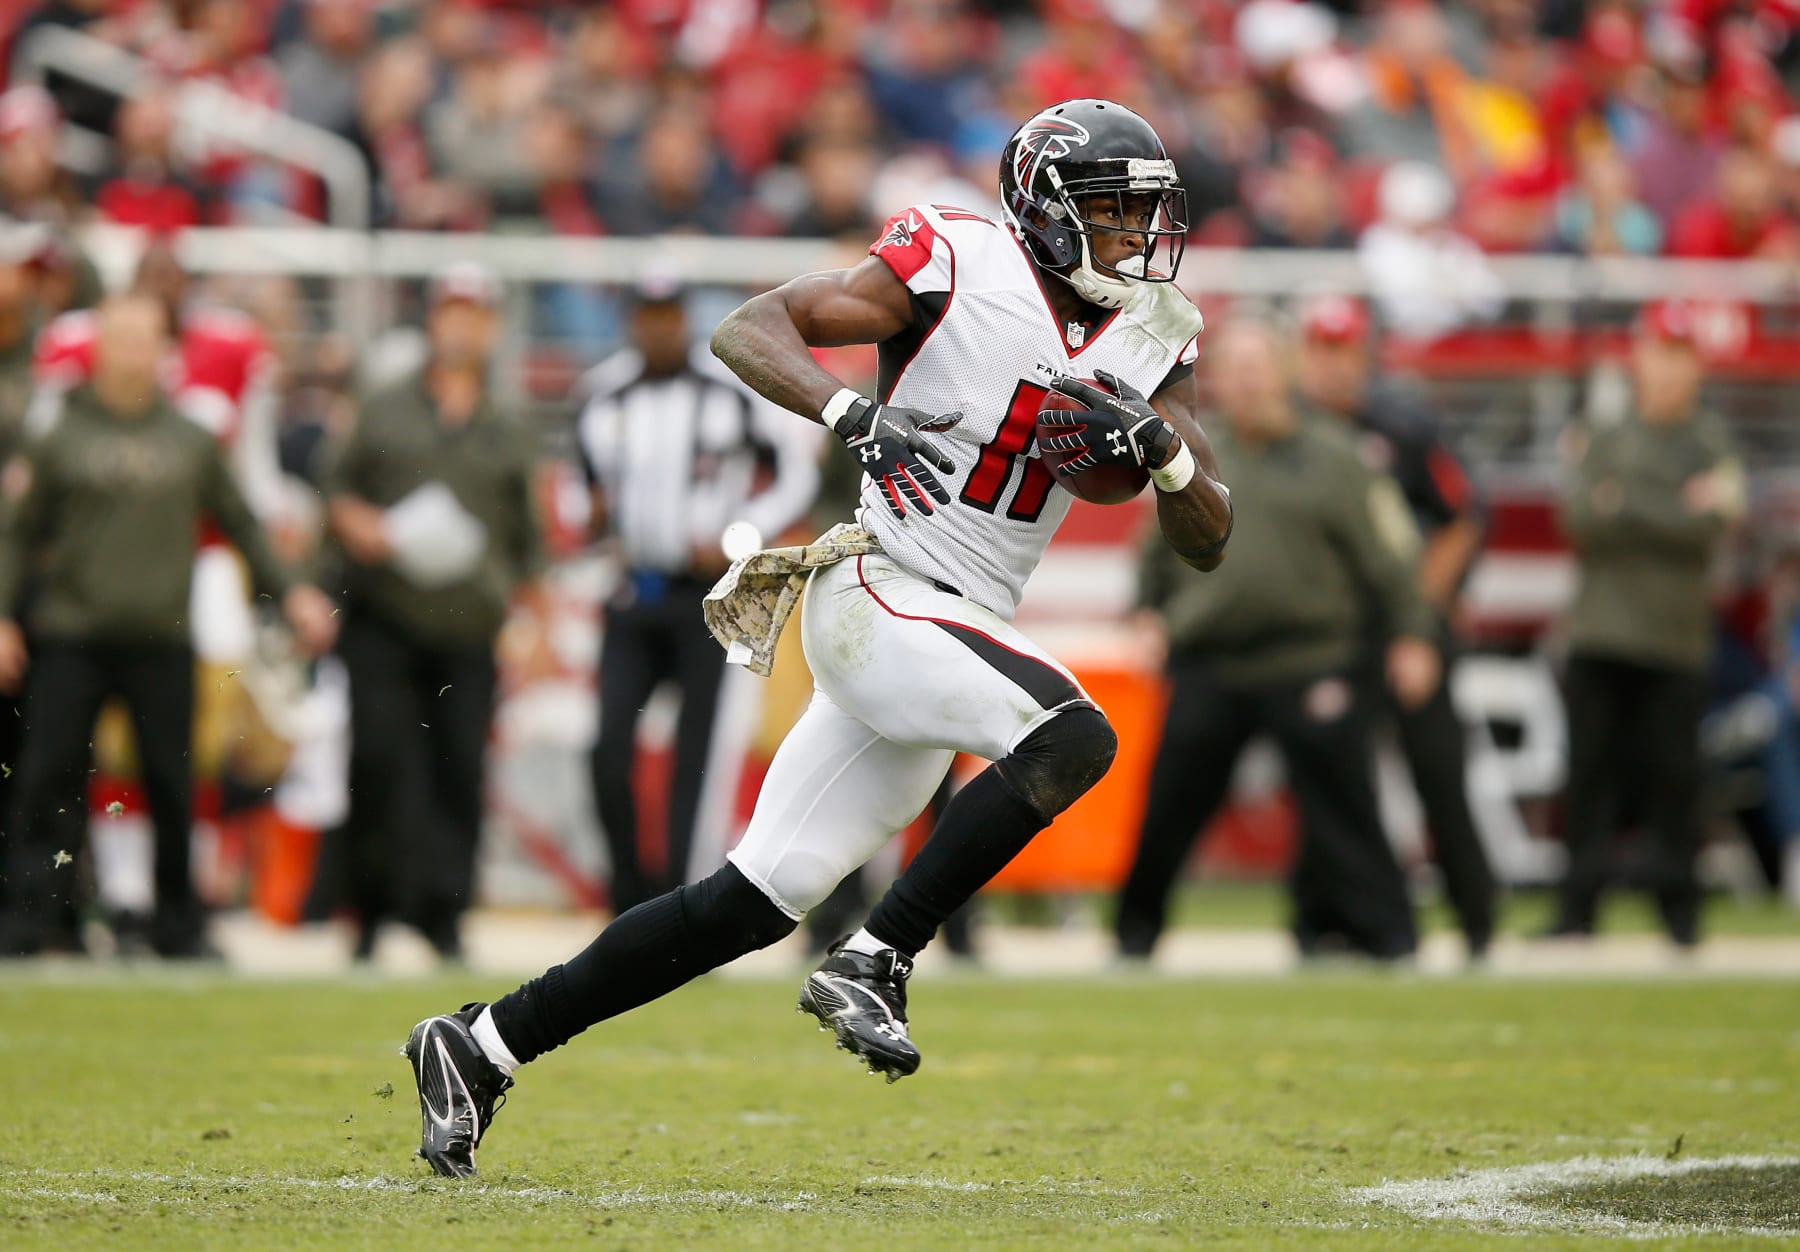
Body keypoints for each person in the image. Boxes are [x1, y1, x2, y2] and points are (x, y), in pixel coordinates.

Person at [400, 98, 1232, 1178]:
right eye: (1114, 212)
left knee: (747, 900)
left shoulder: (1158, 329)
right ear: (1045, 208)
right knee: (1075, 735)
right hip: (878, 587)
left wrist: (1164, 454)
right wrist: (854, 416)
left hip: (958, 624)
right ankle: (879, 955)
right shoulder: (955, 255)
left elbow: (1208, 528)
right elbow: (747, 327)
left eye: (1144, 215)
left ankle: (479, 1045)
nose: (1136, 237)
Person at [0, 292, 336, 957]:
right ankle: (36, 919)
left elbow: (242, 522)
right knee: (50, 779)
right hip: (72, 632)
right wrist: (4, 617)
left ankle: (178, 923)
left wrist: (294, 592)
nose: (131, 354)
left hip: (162, 634)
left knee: (174, 783)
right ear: (97, 348)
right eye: (119, 339)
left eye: (144, 339)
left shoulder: (190, 437)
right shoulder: (59, 433)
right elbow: (16, 535)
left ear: (164, 351)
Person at [1114, 318, 1438, 963]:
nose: (1246, 378)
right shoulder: (1192, 455)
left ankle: (1393, 937)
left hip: (1310, 659)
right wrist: (1145, 613)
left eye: (1258, 364)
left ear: (1284, 372)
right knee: (1170, 805)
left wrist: (1412, 636)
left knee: (1347, 810)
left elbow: (1391, 558)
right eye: (1232, 366)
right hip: (1211, 660)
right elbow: (1154, 552)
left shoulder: (1339, 457)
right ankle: (1133, 937)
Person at [574, 268, 820, 914]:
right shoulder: (603, 396)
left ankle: (677, 904)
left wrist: (742, 532)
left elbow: (794, 473)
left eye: (669, 314)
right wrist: (594, 520)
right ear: (632, 321)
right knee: (606, 751)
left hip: (708, 598)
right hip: (632, 590)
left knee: (698, 756)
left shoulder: (731, 392)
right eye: (648, 315)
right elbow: (580, 489)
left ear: (684, 318)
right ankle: (627, 893)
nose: (659, 327)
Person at [323, 262, 547, 962]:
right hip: (384, 613)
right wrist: (356, 520)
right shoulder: (385, 403)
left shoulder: (509, 423)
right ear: (431, 320)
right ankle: (370, 912)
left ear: (492, 328)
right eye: (451, 311)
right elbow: (334, 484)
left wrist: (533, 618)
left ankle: (444, 914)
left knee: (458, 769)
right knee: (381, 760)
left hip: (470, 625)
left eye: (474, 314)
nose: (461, 326)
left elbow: (528, 537)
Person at [1296, 294, 1496, 960]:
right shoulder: (1289, 430)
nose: (1332, 367)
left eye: (1343, 350)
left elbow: (1461, 516)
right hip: (1330, 631)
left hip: (1403, 624)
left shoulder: (1401, 425)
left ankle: (1477, 919)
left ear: (1365, 353)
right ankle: (1329, 921)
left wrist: (1424, 609)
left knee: (1437, 771)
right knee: (1331, 780)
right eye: (1320, 350)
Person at [1551, 299, 1745, 946]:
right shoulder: (1608, 433)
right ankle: (1577, 908)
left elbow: (1712, 525)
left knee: (1676, 784)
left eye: (1679, 355)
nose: (1666, 369)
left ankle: (1679, 913)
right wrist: (1671, 508)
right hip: (1599, 632)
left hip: (1673, 639)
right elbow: (1579, 517)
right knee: (1587, 778)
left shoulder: (1711, 441)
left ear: (1697, 365)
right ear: (1638, 357)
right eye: (1658, 352)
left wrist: (1626, 504)